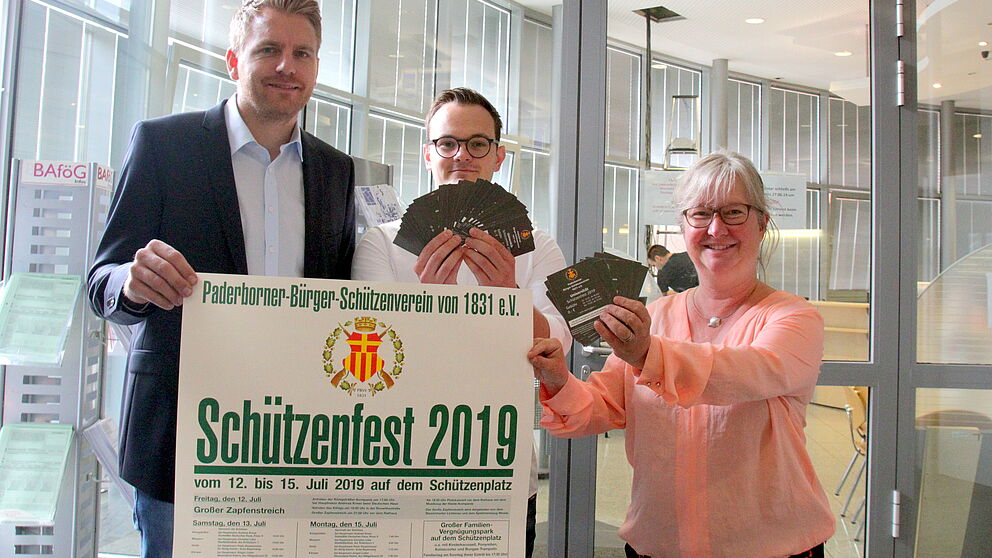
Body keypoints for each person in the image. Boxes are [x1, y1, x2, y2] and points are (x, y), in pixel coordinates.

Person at [86, 2, 355, 556]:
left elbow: (343, 293)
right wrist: (131, 283)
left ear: (316, 67)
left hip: (297, 437)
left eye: (302, 53)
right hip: (180, 435)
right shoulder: (163, 144)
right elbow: (101, 281)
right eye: (268, 50)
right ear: (234, 60)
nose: (286, 66)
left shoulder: (336, 169)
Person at [529, 151, 834, 557]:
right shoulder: (658, 316)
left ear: (762, 223)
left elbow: (744, 373)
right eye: (701, 214)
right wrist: (556, 378)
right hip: (659, 543)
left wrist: (647, 353)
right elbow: (601, 407)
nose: (716, 229)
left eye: (734, 212)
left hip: (772, 548)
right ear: (683, 226)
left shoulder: (793, 317)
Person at [351, 87, 571, 558]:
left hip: (501, 466)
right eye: (448, 143)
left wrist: (508, 297)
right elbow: (370, 355)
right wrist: (432, 303)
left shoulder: (537, 246)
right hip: (399, 461)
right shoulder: (381, 243)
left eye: (477, 144)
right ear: (428, 153)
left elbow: (558, 342)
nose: (462, 156)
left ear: (498, 156)